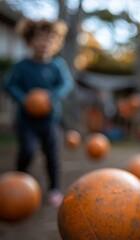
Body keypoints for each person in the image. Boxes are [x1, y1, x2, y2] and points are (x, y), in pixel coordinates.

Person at [3, 18, 74, 207]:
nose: (44, 43)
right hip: (26, 120)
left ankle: (54, 188)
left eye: (49, 39)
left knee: (52, 154)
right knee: (27, 150)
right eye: (40, 39)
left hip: (50, 120)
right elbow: (9, 84)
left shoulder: (57, 65)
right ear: (30, 41)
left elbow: (66, 84)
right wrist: (23, 98)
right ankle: (17, 184)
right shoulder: (22, 66)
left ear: (55, 42)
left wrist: (51, 96)